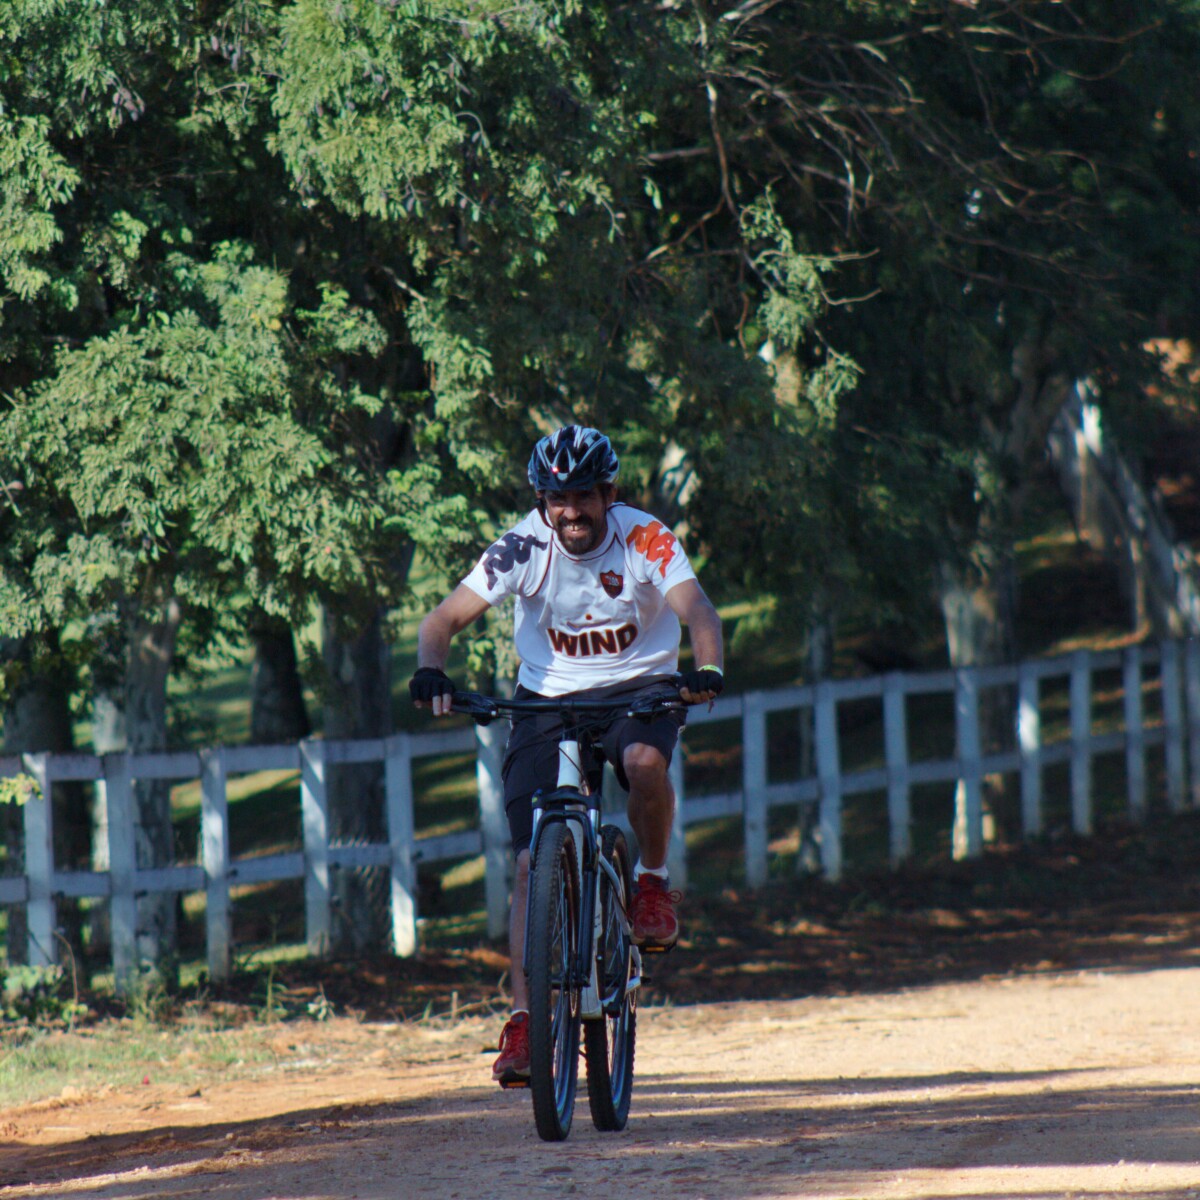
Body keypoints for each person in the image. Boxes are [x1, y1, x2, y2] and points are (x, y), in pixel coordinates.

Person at [409, 425, 724, 1086]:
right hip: (547, 702)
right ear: (542, 501)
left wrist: (707, 669)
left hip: (640, 689)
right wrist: (430, 669)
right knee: (531, 863)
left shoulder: (644, 538)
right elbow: (441, 620)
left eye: (583, 496)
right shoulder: (523, 545)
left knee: (644, 764)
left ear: (609, 493)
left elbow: (698, 609)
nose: (571, 511)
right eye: (558, 498)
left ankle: (651, 884)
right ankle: (526, 1022)